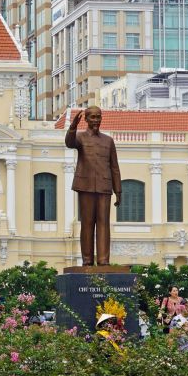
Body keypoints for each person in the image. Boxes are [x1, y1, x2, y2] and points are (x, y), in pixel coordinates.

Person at [64, 106, 122, 266]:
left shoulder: (108, 140)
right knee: (88, 223)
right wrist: (72, 127)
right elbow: (69, 143)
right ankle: (87, 260)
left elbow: (114, 167)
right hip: (86, 185)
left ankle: (103, 260)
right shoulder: (80, 137)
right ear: (87, 119)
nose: (96, 120)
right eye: (93, 117)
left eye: (98, 117)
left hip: (104, 186)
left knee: (104, 223)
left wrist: (118, 190)